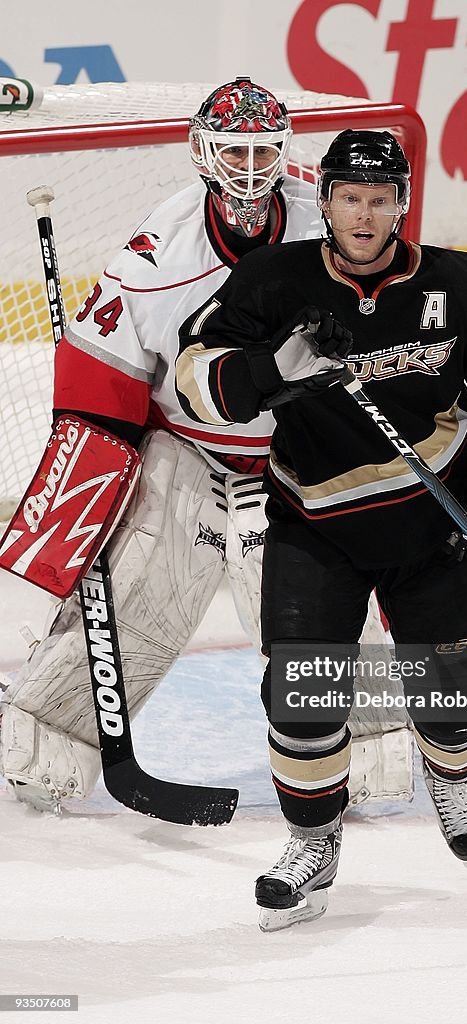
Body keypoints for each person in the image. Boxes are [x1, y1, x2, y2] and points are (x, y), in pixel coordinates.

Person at [175, 128, 467, 930]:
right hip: (316, 525)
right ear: (326, 202)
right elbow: (195, 380)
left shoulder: (465, 289)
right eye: (349, 197)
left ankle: (448, 774)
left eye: (379, 199)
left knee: (455, 707)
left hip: (436, 525)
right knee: (303, 700)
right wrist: (275, 367)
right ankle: (313, 843)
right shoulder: (273, 282)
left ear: (401, 206)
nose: (363, 213)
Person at [0, 83, 410, 813]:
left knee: (321, 611)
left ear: (285, 155)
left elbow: (397, 321)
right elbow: (103, 378)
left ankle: (370, 761)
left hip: (297, 452)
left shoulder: (330, 226)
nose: (250, 168)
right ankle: (41, 748)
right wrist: (88, 506)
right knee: (139, 598)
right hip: (187, 448)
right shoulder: (159, 252)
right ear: (203, 153)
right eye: (235, 151)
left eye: (263, 151)